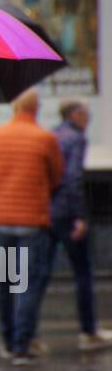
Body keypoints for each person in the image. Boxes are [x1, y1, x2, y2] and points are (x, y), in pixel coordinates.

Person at [0, 89, 62, 365]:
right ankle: (22, 345)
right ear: (37, 108)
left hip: (0, 218)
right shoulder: (46, 138)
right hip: (32, 219)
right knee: (27, 284)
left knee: (4, 283)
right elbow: (56, 177)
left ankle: (7, 342)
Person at [48, 101, 112, 351]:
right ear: (74, 114)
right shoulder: (76, 139)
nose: (88, 117)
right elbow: (73, 178)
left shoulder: (52, 135)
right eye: (86, 113)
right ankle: (89, 329)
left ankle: (24, 336)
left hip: (50, 210)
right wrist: (80, 217)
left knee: (39, 273)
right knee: (83, 271)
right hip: (68, 212)